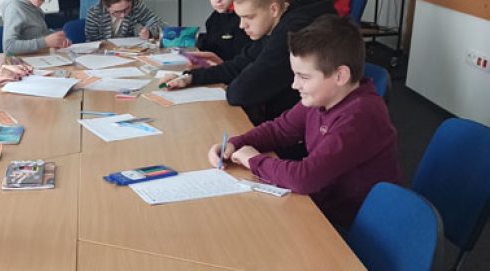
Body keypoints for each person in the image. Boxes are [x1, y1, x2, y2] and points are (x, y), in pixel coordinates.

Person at [208, 15, 399, 229]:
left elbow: (304, 178)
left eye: (304, 77)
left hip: (352, 227)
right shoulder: (322, 98)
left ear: (340, 76)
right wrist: (235, 144)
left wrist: (254, 160)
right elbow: (278, 131)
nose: (294, 85)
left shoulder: (360, 116)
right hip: (321, 205)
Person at [160, 0, 335, 126]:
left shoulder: (293, 28)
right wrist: (190, 78)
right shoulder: (277, 24)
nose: (242, 25)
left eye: (248, 17)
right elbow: (239, 64)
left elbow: (241, 92)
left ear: (273, 9)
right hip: (286, 124)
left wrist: (242, 75)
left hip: (307, 133)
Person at [2, 0, 71, 54]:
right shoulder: (14, 8)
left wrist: (56, 39)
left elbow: (39, 33)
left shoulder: (34, 7)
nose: (43, 2)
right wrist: (45, 42)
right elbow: (8, 47)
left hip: (39, 57)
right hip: (21, 62)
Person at [85, 0, 165, 42]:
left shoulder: (136, 6)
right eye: (117, 12)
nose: (123, 15)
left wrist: (150, 32)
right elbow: (91, 42)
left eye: (126, 9)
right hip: (104, 57)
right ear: (107, 7)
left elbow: (161, 24)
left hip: (129, 53)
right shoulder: (95, 13)